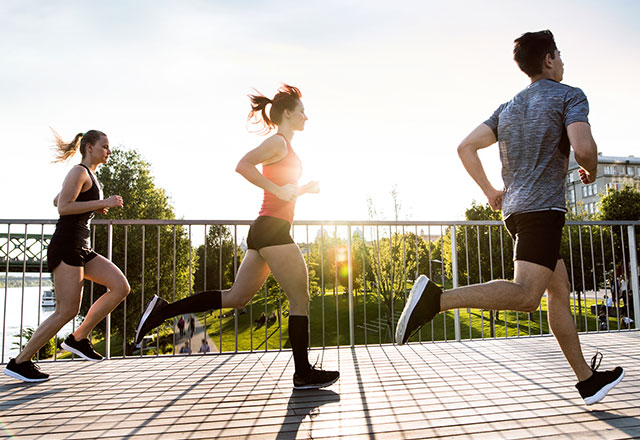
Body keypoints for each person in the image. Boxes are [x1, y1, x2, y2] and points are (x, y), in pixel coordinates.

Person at [395, 30, 624, 405]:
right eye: (560, 55)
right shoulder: (570, 96)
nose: (563, 62)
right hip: (542, 212)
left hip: (516, 211)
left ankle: (587, 380)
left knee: (559, 294)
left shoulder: (508, 107)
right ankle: (436, 300)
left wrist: (489, 191)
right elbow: (583, 148)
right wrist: (592, 170)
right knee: (527, 296)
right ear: (548, 60)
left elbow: (466, 146)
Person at [134, 84, 339, 389]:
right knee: (301, 298)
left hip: (264, 229)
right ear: (287, 113)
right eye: (301, 111)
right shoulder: (278, 143)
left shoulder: (285, 147)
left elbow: (283, 190)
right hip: (272, 230)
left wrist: (305, 187)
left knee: (236, 297)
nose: (306, 117)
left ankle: (164, 310)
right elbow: (243, 165)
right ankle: (303, 373)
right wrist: (277, 189)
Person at [3, 130, 130, 382]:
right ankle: (20, 361)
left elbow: (57, 199)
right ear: (90, 147)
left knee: (120, 286)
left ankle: (78, 338)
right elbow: (63, 207)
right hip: (67, 244)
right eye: (105, 146)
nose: (109, 152)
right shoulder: (79, 171)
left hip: (81, 245)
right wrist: (99, 202)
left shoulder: (88, 175)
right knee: (66, 310)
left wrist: (90, 202)